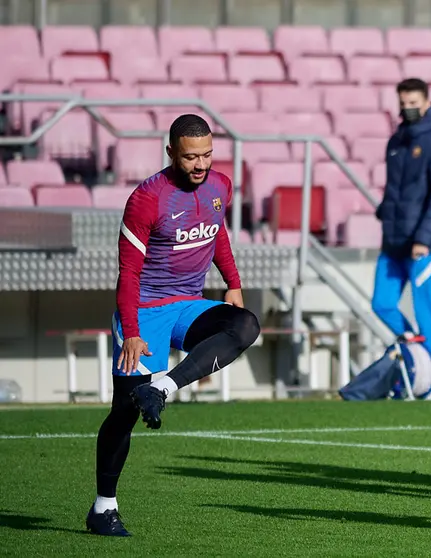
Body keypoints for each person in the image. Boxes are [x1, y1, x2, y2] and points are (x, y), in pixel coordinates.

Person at [86, 114, 261, 537]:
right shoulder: (147, 198)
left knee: (245, 326)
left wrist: (233, 285)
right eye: (190, 157)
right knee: (124, 413)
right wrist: (131, 331)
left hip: (189, 304)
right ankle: (103, 507)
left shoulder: (221, 186)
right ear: (171, 153)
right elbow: (128, 273)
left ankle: (163, 388)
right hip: (145, 312)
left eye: (206, 154)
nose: (200, 164)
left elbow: (217, 234)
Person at [372, 78, 431, 368]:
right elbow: (395, 188)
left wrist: (423, 238)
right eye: (403, 104)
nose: (408, 109)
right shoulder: (396, 142)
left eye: (414, 104)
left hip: (425, 245)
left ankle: (429, 374)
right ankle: (417, 352)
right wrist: (385, 210)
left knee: (425, 312)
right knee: (381, 303)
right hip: (393, 241)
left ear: (427, 104)